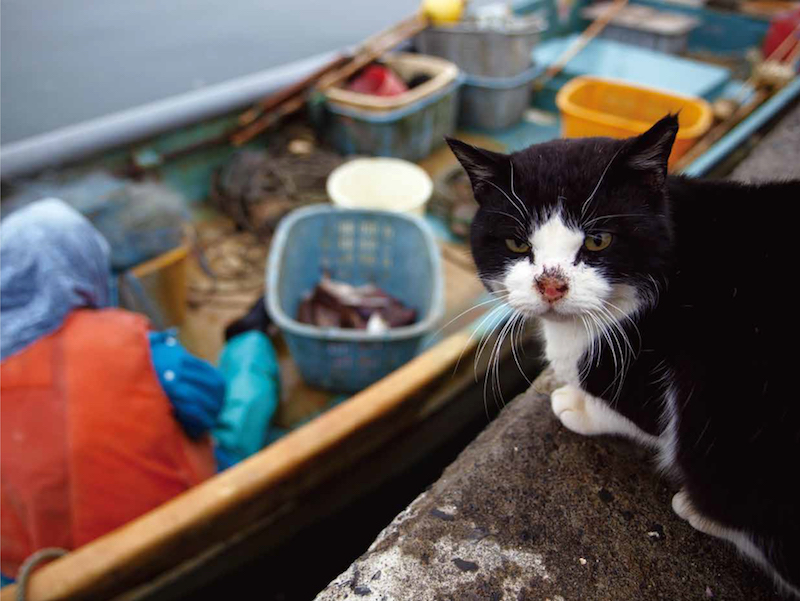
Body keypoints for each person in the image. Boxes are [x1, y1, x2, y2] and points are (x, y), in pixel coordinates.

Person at [0, 199, 225, 584]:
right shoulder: (129, 340)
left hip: (53, 583)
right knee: (249, 355)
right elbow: (209, 401)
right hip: (177, 545)